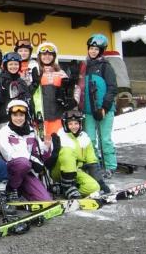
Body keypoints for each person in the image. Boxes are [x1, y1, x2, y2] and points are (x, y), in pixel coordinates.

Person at [0, 100, 53, 201]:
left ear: (26, 116)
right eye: (15, 115)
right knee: (23, 163)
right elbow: (8, 154)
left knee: (45, 199)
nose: (18, 118)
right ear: (10, 116)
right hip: (9, 170)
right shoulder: (4, 131)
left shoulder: (31, 131)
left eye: (21, 115)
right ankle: (11, 189)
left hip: (26, 171)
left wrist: (48, 146)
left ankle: (21, 190)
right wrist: (31, 159)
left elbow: (40, 154)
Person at [80, 33, 118, 177]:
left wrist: (105, 107)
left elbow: (112, 88)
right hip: (89, 111)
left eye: (96, 49)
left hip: (104, 110)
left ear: (101, 51)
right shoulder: (85, 67)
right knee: (90, 139)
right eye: (91, 48)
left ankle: (110, 166)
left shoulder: (105, 67)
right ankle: (94, 165)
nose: (93, 51)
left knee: (105, 139)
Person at [51, 111, 104, 198]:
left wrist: (101, 182)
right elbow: (51, 157)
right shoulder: (59, 136)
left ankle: (67, 190)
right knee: (67, 151)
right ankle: (67, 187)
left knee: (94, 187)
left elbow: (92, 161)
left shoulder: (85, 138)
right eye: (70, 124)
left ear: (80, 124)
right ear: (65, 124)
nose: (74, 126)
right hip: (59, 170)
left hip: (76, 172)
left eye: (76, 123)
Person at [31, 42, 73, 139]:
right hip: (41, 116)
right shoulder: (35, 71)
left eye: (50, 54)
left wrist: (72, 99)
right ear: (39, 56)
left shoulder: (61, 72)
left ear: (54, 57)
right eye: (44, 54)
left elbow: (69, 93)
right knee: (42, 143)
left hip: (57, 115)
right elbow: (29, 92)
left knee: (58, 141)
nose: (47, 57)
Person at [0, 52, 32, 127]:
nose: (13, 66)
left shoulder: (21, 81)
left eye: (16, 64)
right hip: (5, 119)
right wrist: (5, 92)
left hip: (20, 118)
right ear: (6, 65)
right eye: (10, 64)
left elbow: (28, 98)